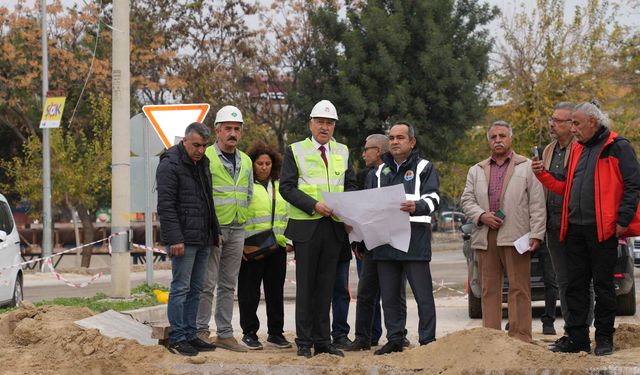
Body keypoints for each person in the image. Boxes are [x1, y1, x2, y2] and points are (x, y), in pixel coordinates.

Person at [533, 102, 640, 355]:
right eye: (571, 124)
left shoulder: (618, 147)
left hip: (603, 231)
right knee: (574, 286)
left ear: (593, 121)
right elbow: (565, 187)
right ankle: (577, 338)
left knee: (603, 287)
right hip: (575, 230)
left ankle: (604, 338)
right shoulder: (579, 149)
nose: (573, 129)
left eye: (576, 123)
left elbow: (633, 186)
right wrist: (543, 176)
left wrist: (622, 221)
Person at [279, 99, 357, 358]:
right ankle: (304, 342)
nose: (325, 127)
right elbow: (287, 187)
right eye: (320, 122)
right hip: (307, 226)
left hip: (334, 228)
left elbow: (351, 185)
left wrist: (346, 209)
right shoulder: (295, 150)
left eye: (329, 123)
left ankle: (323, 341)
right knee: (306, 288)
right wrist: (314, 204)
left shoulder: (343, 151)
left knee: (327, 286)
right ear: (311, 124)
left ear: (334, 126)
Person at [461, 120, 546, 343]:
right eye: (493, 137)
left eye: (502, 136)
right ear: (489, 141)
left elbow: (537, 203)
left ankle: (521, 338)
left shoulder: (527, 166)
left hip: (517, 236)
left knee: (519, 289)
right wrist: (481, 216)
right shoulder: (476, 170)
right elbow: (466, 200)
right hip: (485, 236)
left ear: (510, 138)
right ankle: (491, 339)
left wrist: (537, 234)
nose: (498, 140)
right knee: (489, 289)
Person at [370, 122, 440, 355]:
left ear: (412, 142)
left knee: (423, 295)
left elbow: (433, 199)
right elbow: (367, 203)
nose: (395, 142)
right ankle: (395, 339)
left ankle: (428, 341)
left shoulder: (425, 167)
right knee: (389, 296)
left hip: (415, 239)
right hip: (385, 240)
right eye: (391, 138)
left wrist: (417, 206)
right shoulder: (379, 172)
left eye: (400, 137)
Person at [156, 122, 219, 356]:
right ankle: (178, 337)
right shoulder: (169, 164)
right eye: (196, 145)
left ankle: (191, 334)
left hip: (203, 237)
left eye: (204, 146)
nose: (200, 150)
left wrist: (216, 231)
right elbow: (166, 206)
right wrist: (175, 239)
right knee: (180, 288)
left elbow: (207, 200)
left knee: (197, 288)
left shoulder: (202, 163)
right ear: (185, 140)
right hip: (182, 239)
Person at [196, 105, 253, 352]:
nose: (232, 133)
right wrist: (211, 226)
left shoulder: (246, 160)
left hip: (237, 228)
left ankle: (225, 334)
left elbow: (248, 193)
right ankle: (200, 331)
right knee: (207, 284)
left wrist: (243, 222)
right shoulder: (205, 157)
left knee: (229, 284)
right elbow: (201, 196)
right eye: (228, 128)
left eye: (236, 129)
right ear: (217, 131)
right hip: (214, 230)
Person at [539, 102, 595, 343]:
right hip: (553, 224)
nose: (552, 124)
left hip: (576, 223)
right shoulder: (549, 150)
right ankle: (571, 331)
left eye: (558, 121)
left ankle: (582, 330)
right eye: (551, 119)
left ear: (572, 126)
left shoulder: (582, 149)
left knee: (581, 280)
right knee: (562, 280)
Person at [237, 141, 293, 350]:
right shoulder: (245, 186)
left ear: (273, 164)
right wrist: (239, 243)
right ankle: (249, 333)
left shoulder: (279, 186)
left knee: (275, 292)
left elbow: (287, 215)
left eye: (267, 163)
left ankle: (276, 334)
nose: (264, 167)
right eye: (259, 163)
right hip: (250, 247)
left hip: (276, 247)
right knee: (249, 292)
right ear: (252, 165)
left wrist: (288, 241)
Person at [346, 134, 391, 351]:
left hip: (392, 243)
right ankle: (362, 338)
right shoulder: (369, 176)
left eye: (367, 149)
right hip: (371, 244)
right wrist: (359, 241)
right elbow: (365, 211)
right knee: (365, 293)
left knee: (392, 294)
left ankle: (396, 337)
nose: (363, 153)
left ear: (379, 151)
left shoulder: (396, 173)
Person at [331, 236, 353, 349]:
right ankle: (317, 335)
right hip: (317, 243)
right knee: (317, 294)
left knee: (341, 293)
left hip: (341, 244)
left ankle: (340, 334)